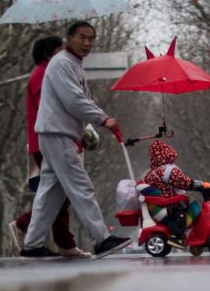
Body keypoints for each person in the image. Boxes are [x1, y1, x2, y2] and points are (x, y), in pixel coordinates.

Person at [20, 21, 130, 258]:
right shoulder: (61, 64)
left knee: (51, 192)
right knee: (81, 187)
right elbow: (74, 100)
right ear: (68, 38)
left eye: (91, 38)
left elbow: (80, 99)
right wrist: (103, 119)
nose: (87, 43)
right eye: (82, 37)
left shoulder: (73, 65)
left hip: (58, 133)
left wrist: (95, 121)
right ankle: (101, 239)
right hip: (57, 133)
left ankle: (32, 244)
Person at [9, 36, 91, 258]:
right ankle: (27, 225)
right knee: (57, 192)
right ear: (47, 54)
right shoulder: (44, 74)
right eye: (59, 50)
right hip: (49, 141)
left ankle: (63, 242)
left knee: (60, 193)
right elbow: (57, 105)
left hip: (58, 140)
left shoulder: (50, 72)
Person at [141, 139, 210, 246]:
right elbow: (183, 182)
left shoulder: (152, 173)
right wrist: (200, 185)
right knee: (195, 208)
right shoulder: (166, 170)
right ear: (167, 152)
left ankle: (182, 233)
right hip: (171, 206)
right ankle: (176, 235)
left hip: (161, 206)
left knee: (189, 211)